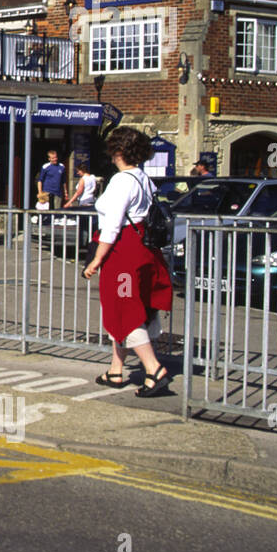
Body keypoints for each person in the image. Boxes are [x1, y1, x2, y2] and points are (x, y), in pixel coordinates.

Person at [82, 127, 174, 397]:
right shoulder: (143, 178)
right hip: (141, 248)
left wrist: (96, 259)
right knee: (126, 309)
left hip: (123, 253)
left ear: (119, 151)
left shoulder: (122, 181)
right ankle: (116, 369)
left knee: (123, 310)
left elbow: (112, 225)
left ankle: (153, 369)